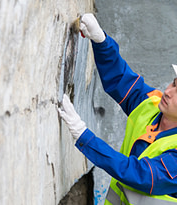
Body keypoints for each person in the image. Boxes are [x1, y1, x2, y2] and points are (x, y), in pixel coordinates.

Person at [58, 13, 177, 205]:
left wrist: (85, 137)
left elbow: (140, 175)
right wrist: (101, 41)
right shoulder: (152, 105)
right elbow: (123, 81)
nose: (169, 92)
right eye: (174, 83)